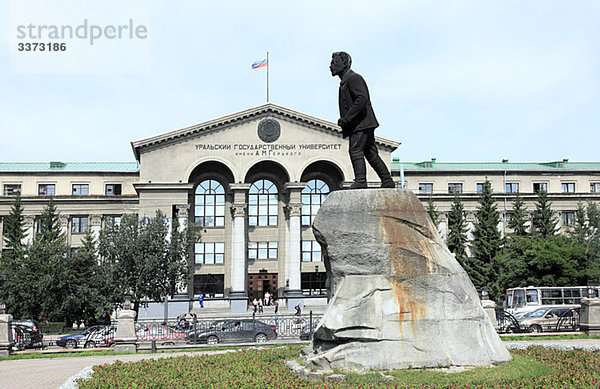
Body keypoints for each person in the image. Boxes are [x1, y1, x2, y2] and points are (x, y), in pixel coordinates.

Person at [329, 51, 395, 189]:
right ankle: (387, 180)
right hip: (362, 122)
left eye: (334, 63)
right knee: (371, 153)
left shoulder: (354, 78)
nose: (331, 66)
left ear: (345, 63)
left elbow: (362, 98)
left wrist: (347, 118)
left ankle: (361, 180)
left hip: (360, 123)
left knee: (355, 150)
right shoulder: (346, 81)